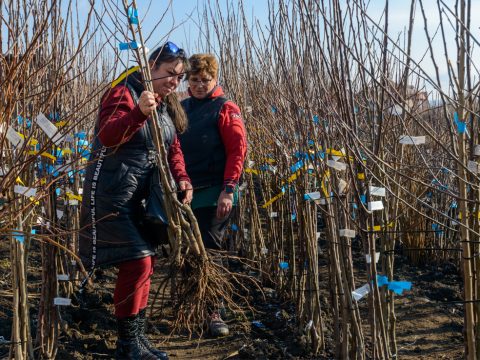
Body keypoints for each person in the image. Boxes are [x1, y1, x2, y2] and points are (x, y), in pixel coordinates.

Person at [79, 41, 192, 360]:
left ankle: (137, 340)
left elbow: (172, 147)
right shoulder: (123, 93)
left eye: (179, 77)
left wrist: (182, 176)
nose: (174, 82)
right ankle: (127, 344)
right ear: (150, 67)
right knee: (138, 261)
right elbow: (108, 135)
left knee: (147, 262)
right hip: (112, 193)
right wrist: (138, 113)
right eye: (170, 74)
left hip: (144, 195)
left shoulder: (166, 103)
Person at [179, 53, 247, 337]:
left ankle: (214, 311)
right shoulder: (180, 107)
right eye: (193, 80)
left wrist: (228, 189)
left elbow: (237, 150)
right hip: (185, 192)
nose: (198, 85)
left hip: (215, 193)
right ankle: (190, 308)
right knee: (186, 251)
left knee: (211, 251)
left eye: (204, 80)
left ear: (215, 79)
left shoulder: (225, 108)